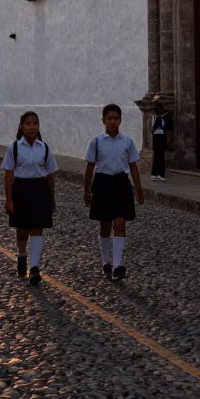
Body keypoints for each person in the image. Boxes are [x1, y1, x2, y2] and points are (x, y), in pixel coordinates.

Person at [84, 103, 144, 280]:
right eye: (109, 118)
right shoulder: (96, 142)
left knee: (119, 222)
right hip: (102, 183)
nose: (112, 121)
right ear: (103, 120)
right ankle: (106, 261)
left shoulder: (127, 141)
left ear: (120, 120)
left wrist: (139, 190)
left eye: (116, 118)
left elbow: (133, 166)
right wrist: (86, 190)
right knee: (105, 225)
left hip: (120, 183)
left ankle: (117, 265)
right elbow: (89, 167)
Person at [1, 110, 57, 287]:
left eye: (35, 124)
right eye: (28, 124)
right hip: (21, 189)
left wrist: (52, 198)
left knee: (38, 229)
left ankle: (34, 267)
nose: (32, 127)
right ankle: (22, 255)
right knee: (23, 229)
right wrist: (9, 200)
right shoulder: (15, 148)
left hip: (40, 190)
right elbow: (9, 176)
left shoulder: (44, 148)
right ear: (21, 127)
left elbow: (49, 176)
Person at [149, 95, 173, 182]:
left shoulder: (161, 116)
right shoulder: (159, 117)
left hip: (159, 137)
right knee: (159, 156)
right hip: (159, 137)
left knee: (158, 156)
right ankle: (158, 174)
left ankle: (156, 174)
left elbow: (168, 130)